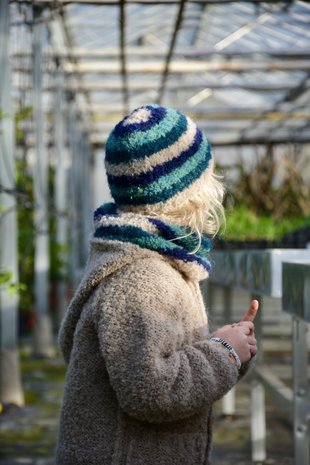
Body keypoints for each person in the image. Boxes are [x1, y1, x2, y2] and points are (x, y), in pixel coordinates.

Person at [56, 104, 258, 465]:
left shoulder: (152, 262)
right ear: (187, 191)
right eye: (208, 175)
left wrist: (228, 348)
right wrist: (224, 352)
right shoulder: (142, 277)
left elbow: (166, 362)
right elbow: (153, 389)